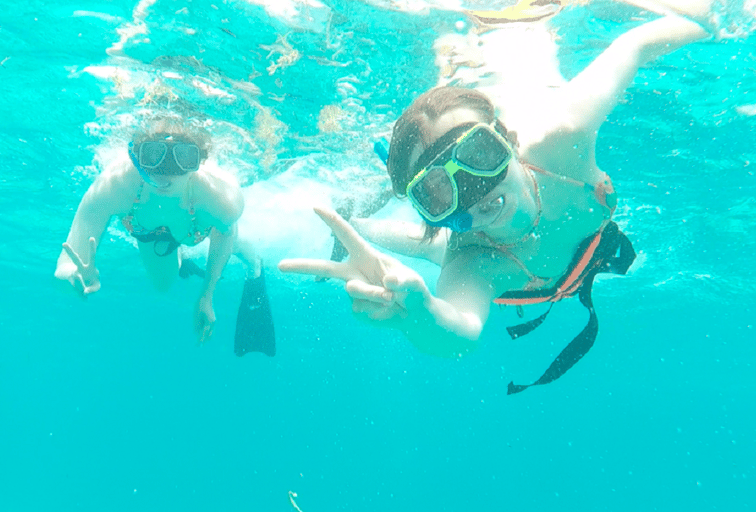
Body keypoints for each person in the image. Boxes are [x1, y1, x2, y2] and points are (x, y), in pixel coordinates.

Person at [279, 8, 712, 393]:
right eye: (439, 192)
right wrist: (419, 313)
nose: (476, 191)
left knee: (428, 245)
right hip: (491, 252)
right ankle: (359, 221)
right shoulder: (473, 261)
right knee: (434, 248)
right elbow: (459, 332)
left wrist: (706, 21)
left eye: (478, 156)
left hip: (566, 251)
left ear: (508, 140)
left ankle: (364, 220)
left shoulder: (564, 136)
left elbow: (632, 45)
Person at [55, 116, 275, 356]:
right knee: (163, 286)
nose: (166, 171)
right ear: (137, 157)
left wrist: (207, 294)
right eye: (153, 155)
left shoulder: (221, 199)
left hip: (201, 226)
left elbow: (225, 231)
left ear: (199, 161)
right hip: (153, 235)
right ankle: (183, 257)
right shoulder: (114, 187)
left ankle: (254, 265)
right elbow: (65, 265)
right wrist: (73, 277)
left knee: (237, 243)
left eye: (183, 157)